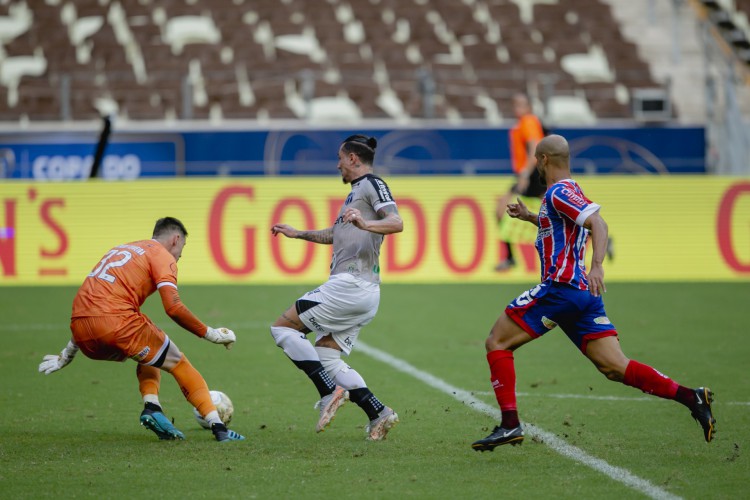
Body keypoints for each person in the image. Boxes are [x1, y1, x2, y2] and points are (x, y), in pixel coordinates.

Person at [472, 135, 715, 451]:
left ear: (544, 160)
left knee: (497, 342)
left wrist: (597, 265)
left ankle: (509, 424)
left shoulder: (558, 191)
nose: (535, 165)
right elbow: (568, 226)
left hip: (561, 289)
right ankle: (691, 396)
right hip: (583, 297)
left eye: (536, 159)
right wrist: (531, 217)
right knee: (615, 367)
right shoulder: (569, 190)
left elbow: (598, 224)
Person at [38, 217, 245, 442]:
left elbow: (92, 305)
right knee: (178, 362)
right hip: (115, 323)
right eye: (181, 251)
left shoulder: (120, 249)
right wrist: (211, 334)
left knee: (150, 353)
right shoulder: (162, 256)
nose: (178, 258)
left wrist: (68, 352)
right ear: (176, 239)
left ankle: (153, 407)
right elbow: (173, 307)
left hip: (81, 332)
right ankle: (219, 429)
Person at [270, 134, 403, 441]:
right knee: (327, 357)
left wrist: (366, 224)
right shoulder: (355, 194)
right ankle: (378, 412)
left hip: (351, 285)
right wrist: (298, 233)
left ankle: (328, 392)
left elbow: (396, 222)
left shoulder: (372, 184)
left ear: (354, 159)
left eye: (340, 159)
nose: (338, 165)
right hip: (361, 292)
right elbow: (337, 234)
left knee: (283, 330)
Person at [494, 93, 547, 271]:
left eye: (521, 104)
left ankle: (593, 233)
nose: (517, 107)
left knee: (502, 209)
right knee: (501, 209)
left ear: (529, 107)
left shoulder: (529, 121)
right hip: (528, 173)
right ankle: (510, 257)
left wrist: (524, 174)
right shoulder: (522, 124)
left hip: (532, 174)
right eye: (515, 104)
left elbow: (534, 148)